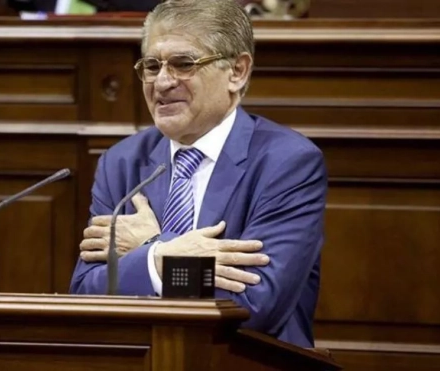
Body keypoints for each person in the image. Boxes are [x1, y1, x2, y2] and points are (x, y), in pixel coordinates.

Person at [69, 0, 327, 349]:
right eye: (151, 65)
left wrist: (150, 249)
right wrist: (161, 256)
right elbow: (86, 291)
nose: (161, 82)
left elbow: (256, 304)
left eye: (183, 64)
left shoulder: (287, 163)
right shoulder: (122, 162)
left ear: (237, 71)